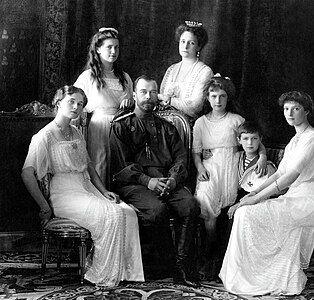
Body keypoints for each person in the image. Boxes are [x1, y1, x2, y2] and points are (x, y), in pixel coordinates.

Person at [21, 85, 144, 287]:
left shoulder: (77, 132)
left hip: (86, 188)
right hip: (64, 193)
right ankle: (102, 273)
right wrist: (44, 206)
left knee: (127, 213)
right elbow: (27, 173)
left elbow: (89, 166)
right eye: (72, 102)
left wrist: (104, 191)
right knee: (112, 214)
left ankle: (127, 272)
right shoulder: (44, 136)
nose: (77, 107)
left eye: (80, 104)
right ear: (58, 103)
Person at [219, 91, 314, 295]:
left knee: (245, 213)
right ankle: (251, 275)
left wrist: (256, 199)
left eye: (295, 109)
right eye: (286, 109)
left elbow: (290, 177)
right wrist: (252, 195)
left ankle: (264, 277)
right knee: (245, 212)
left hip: (308, 201)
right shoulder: (296, 139)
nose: (290, 113)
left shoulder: (312, 137)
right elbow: (279, 173)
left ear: (307, 111)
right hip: (294, 198)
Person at [110, 75, 200, 287]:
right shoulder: (121, 126)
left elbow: (180, 158)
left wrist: (173, 179)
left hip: (167, 181)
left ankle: (181, 266)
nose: (148, 97)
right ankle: (165, 262)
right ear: (134, 95)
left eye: (152, 92)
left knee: (190, 205)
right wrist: (147, 181)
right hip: (135, 184)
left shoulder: (168, 128)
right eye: (143, 92)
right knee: (158, 210)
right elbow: (121, 166)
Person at [192, 75, 267, 281]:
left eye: (222, 96)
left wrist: (262, 157)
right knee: (206, 205)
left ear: (228, 98)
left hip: (232, 166)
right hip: (210, 167)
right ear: (207, 98)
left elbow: (254, 141)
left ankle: (224, 259)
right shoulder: (200, 123)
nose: (218, 101)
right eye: (214, 96)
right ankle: (208, 253)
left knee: (229, 210)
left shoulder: (236, 120)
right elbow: (196, 152)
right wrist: (199, 167)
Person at [74, 27, 134, 188]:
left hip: (121, 127)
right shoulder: (88, 77)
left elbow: (131, 105)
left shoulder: (125, 78)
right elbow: (74, 101)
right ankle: (101, 197)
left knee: (120, 164)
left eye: (116, 47)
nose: (113, 51)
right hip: (99, 127)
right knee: (100, 163)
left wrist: (128, 105)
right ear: (98, 49)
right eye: (109, 47)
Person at [159, 21, 213, 123]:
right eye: (183, 41)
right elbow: (161, 97)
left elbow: (195, 107)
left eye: (191, 43)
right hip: (164, 125)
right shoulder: (171, 69)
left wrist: (169, 100)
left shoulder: (205, 72)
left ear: (199, 46)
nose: (185, 46)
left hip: (188, 126)